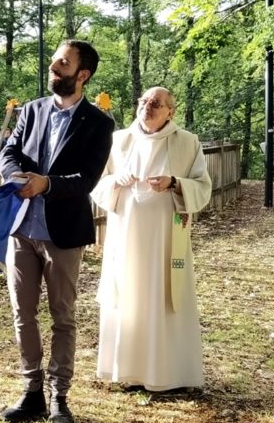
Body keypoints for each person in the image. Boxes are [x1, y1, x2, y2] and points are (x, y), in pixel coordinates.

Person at [0, 39, 114, 423]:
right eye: (54, 60)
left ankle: (59, 397)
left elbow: (86, 179)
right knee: (22, 314)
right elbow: (9, 152)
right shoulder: (31, 110)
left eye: (63, 62)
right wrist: (14, 176)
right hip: (21, 230)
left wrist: (46, 184)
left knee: (62, 317)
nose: (54, 66)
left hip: (63, 234)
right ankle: (31, 393)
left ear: (83, 74)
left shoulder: (99, 124)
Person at [90, 87, 212, 390]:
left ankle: (169, 374)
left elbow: (202, 187)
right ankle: (129, 371)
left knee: (165, 297)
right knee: (128, 294)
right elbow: (96, 183)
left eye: (156, 103)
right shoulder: (118, 140)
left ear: (170, 111)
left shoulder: (187, 142)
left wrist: (174, 183)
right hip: (126, 234)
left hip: (166, 239)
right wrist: (115, 181)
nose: (148, 106)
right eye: (144, 101)